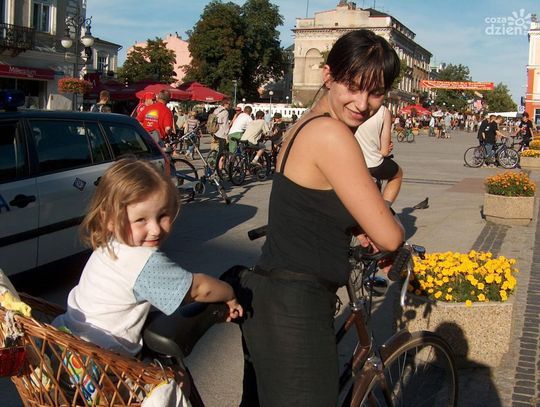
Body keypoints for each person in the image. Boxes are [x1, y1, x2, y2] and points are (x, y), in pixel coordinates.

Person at [238, 29, 404, 406]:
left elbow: (312, 198)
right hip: (296, 308)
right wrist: (389, 226)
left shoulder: (306, 124)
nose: (362, 103)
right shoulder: (331, 134)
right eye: (353, 86)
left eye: (376, 92)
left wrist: (353, 224)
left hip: (271, 297)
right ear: (328, 75)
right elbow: (391, 237)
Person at [53, 158, 243, 357]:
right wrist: (229, 293)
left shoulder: (109, 245)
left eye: (162, 216)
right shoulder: (140, 261)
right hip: (103, 360)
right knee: (168, 373)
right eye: (140, 219)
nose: (155, 229)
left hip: (68, 342)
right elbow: (198, 289)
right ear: (108, 219)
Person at [354, 104, 403, 205]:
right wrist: (385, 148)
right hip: (372, 164)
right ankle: (384, 208)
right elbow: (384, 152)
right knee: (398, 175)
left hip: (350, 164)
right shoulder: (383, 111)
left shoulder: (349, 106)